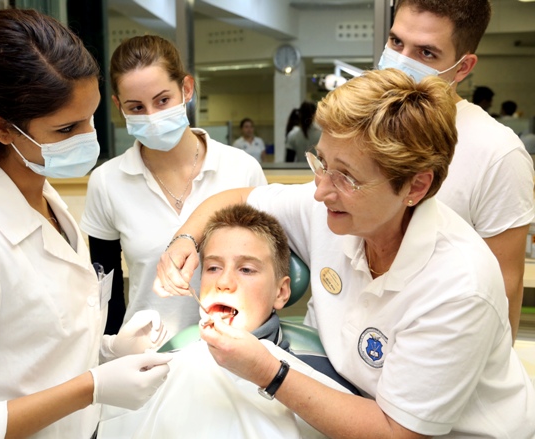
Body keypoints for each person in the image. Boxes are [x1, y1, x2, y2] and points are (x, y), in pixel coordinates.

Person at [156, 69, 535, 438]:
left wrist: (267, 371)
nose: (321, 190)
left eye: (346, 177)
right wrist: (185, 239)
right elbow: (236, 198)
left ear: (416, 187)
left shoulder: (458, 286)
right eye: (321, 163)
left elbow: (397, 432)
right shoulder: (332, 209)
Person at [0, 10, 172, 439]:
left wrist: (108, 351)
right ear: (0, 128)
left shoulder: (44, 199)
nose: (88, 138)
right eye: (66, 128)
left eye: (91, 117)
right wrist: (91, 387)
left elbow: (32, 354)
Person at [99, 204, 356, 439]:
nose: (223, 282)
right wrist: (118, 357)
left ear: (281, 292)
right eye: (213, 268)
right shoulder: (174, 362)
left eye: (246, 269)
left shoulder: (318, 373)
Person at [80, 35, 266, 338]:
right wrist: (115, 351)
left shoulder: (241, 169)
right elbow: (106, 290)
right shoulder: (107, 181)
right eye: (136, 107)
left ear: (186, 89)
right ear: (118, 106)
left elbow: (268, 270)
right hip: (146, 352)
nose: (152, 117)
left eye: (162, 100)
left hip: (233, 348)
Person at [378, 0, 534, 343]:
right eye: (396, 42)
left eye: (426, 53)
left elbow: (503, 289)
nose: (401, 61)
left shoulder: (497, 153)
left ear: (463, 67)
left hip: (440, 348)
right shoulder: (364, 126)